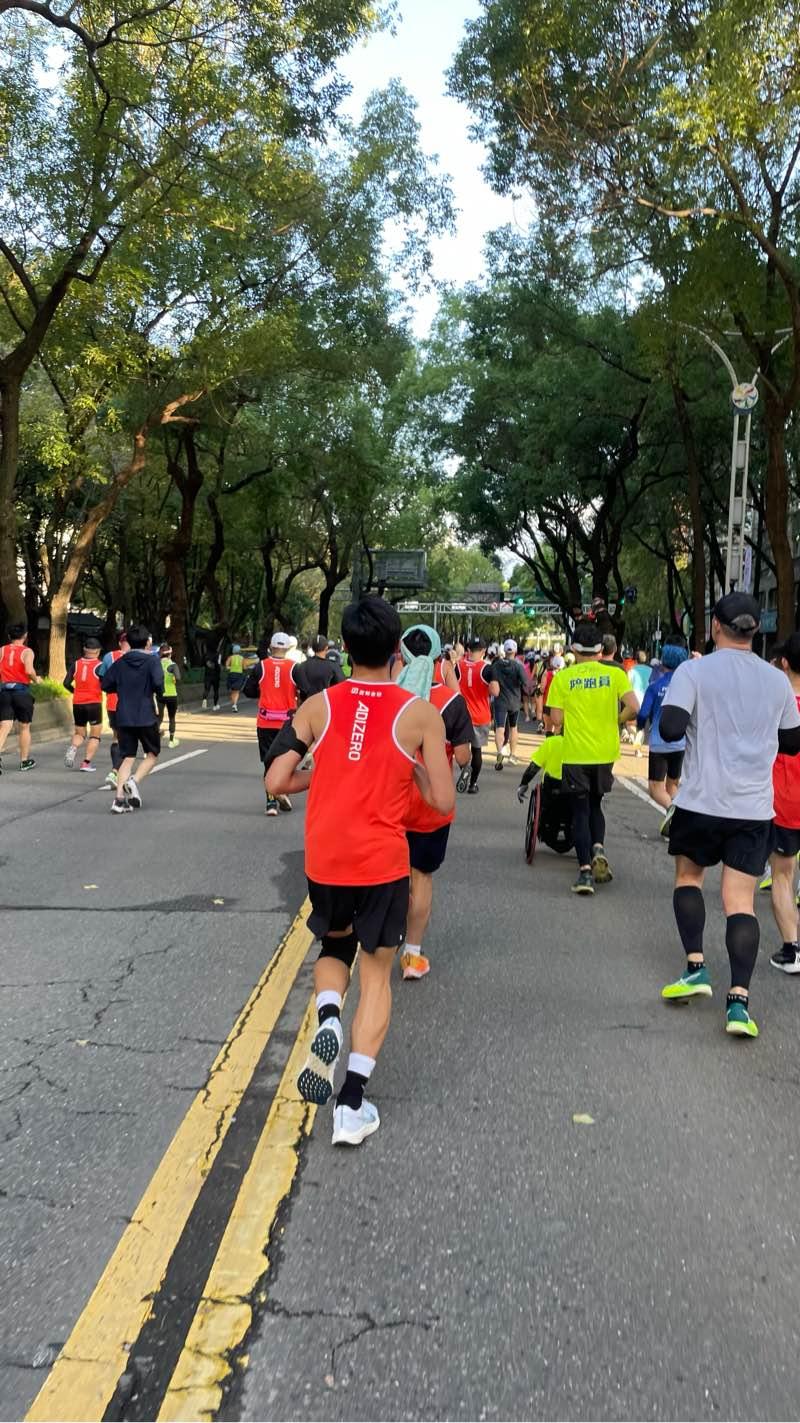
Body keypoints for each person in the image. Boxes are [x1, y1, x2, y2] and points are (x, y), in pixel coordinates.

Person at [265, 596, 454, 1146]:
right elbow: (442, 801)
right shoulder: (420, 715)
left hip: (326, 859)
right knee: (376, 974)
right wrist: (412, 771)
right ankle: (350, 1104)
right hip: (381, 863)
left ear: (344, 647)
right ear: (396, 650)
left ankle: (328, 1015)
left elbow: (276, 781)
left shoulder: (317, 705)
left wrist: (322, 774)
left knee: (334, 946)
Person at [659, 593, 800, 1037]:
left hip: (701, 801)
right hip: (753, 809)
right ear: (755, 631)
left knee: (688, 879)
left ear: (716, 627)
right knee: (740, 902)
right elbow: (793, 741)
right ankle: (739, 1004)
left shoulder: (694, 672)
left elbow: (670, 728)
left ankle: (695, 968)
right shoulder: (777, 681)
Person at [397, 626, 472, 981]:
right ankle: (412, 955)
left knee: (386, 874)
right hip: (431, 805)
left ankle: (379, 939)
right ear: (439, 658)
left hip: (388, 799)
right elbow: (463, 756)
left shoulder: (389, 696)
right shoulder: (451, 703)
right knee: (421, 877)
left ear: (401, 657)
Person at [547, 622, 639, 894]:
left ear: (573, 649)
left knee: (580, 811)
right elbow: (634, 707)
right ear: (600, 650)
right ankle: (598, 848)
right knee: (596, 804)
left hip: (575, 752)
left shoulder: (563, 678)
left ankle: (585, 872)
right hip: (605, 752)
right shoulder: (615, 674)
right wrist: (616, 720)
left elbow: (556, 719)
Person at [760, 634, 800, 973]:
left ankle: (792, 950)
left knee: (783, 876)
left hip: (786, 799)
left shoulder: (774, 703)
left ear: (784, 662)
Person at [100, 625, 164, 814]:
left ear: (128, 641)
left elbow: (106, 684)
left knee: (127, 757)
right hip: (145, 715)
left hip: (124, 715)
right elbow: (158, 684)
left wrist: (122, 688)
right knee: (152, 754)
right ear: (147, 643)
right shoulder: (152, 661)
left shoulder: (120, 662)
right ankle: (133, 781)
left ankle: (118, 800)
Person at [243, 631, 298, 815]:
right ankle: (283, 790)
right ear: (288, 648)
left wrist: (264, 691)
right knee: (286, 760)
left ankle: (271, 803)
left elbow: (248, 690)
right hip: (287, 723)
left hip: (265, 723)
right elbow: (305, 689)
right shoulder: (294, 668)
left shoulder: (261, 667)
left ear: (271, 647)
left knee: (268, 762)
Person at [636, 642, 689, 826]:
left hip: (659, 743)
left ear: (663, 662)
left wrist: (640, 727)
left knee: (655, 787)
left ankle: (673, 812)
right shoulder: (687, 687)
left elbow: (643, 713)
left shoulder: (655, 686)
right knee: (672, 785)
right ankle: (676, 822)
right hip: (681, 743)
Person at [455, 636, 500, 794]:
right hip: (480, 716)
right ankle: (473, 784)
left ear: (468, 650)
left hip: (462, 716)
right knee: (476, 750)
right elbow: (495, 692)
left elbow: (451, 687)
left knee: (461, 747)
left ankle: (464, 767)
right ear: (483, 651)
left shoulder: (458, 666)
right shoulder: (488, 669)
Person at [0, 622, 41, 772]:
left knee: (4, 725)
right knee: (24, 726)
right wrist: (36, 679)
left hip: (4, 691)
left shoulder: (2, 650)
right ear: (25, 635)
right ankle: (24, 761)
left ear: (9, 636)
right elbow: (29, 670)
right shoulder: (27, 651)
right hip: (21, 692)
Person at [64, 636, 103, 771]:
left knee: (80, 733)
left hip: (78, 703)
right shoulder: (100, 665)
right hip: (94, 703)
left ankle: (73, 747)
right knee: (95, 735)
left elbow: (66, 683)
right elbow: (106, 684)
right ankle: (86, 763)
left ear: (84, 649)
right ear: (98, 651)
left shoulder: (76, 664)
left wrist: (75, 691)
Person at [490, 639, 529, 768]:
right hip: (514, 702)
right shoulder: (518, 666)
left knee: (499, 728)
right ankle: (512, 755)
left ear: (504, 651)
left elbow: (491, 681)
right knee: (513, 728)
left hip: (500, 701)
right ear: (515, 651)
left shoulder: (496, 665)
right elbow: (525, 682)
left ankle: (499, 752)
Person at [98, 630, 129, 789]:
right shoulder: (140, 657)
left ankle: (116, 772)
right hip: (131, 703)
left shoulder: (109, 657)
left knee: (117, 737)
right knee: (129, 740)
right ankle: (116, 772)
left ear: (119, 643)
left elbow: (102, 677)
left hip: (112, 702)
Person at [293, 634, 345, 702]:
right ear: (326, 647)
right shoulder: (333, 666)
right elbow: (342, 685)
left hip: (306, 705)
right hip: (325, 704)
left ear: (312, 648)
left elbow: (299, 688)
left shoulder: (301, 667)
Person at [157, 643, 181, 747]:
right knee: (172, 718)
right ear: (170, 654)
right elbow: (178, 678)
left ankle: (153, 739)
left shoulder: (156, 664)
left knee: (159, 718)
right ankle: (171, 741)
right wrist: (173, 678)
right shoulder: (173, 665)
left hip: (159, 694)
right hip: (171, 694)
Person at [225, 645, 245, 712]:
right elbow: (244, 667)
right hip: (239, 675)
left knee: (233, 690)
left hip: (232, 675)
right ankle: (234, 704)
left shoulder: (230, 657)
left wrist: (231, 667)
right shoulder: (242, 658)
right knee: (237, 691)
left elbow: (227, 666)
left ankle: (234, 704)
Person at [201, 643, 220, 711]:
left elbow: (202, 663)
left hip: (207, 674)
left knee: (206, 689)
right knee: (216, 690)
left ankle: (204, 700)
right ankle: (215, 705)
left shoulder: (205, 655)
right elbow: (218, 664)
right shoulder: (217, 654)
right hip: (216, 675)